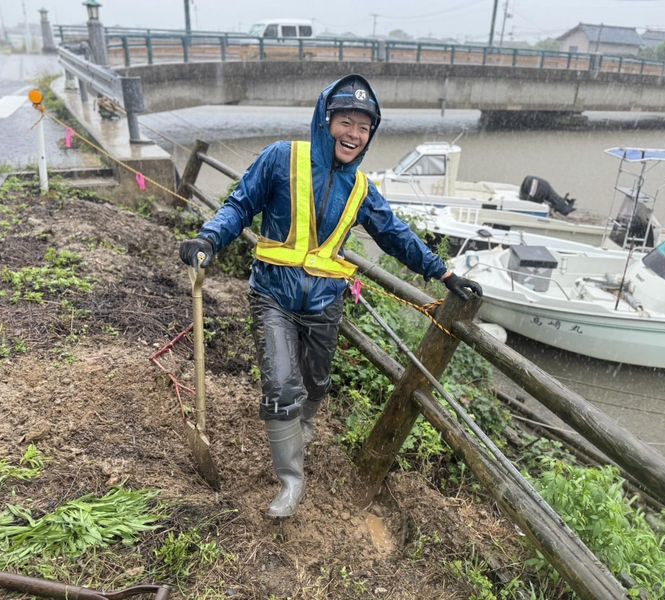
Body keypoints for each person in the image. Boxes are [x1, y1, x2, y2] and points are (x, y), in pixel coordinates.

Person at [180, 74, 482, 518]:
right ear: (325, 121)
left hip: (325, 302)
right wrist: (209, 239)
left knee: (316, 382)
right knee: (281, 384)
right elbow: (239, 206)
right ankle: (291, 479)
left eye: (363, 128)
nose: (353, 134)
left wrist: (444, 272)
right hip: (273, 295)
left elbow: (396, 236)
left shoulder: (360, 189)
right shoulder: (282, 157)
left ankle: (303, 423)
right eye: (346, 122)